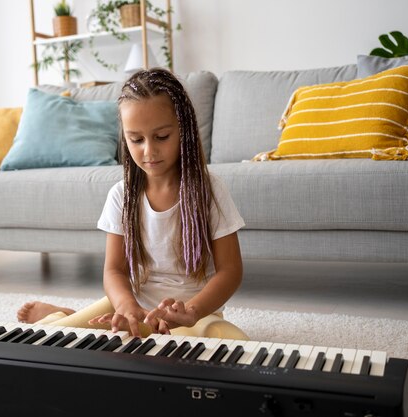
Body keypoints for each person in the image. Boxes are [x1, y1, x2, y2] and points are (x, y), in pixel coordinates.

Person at [17, 68, 249, 341]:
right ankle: (62, 315)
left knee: (234, 343)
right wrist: (126, 305)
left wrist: (193, 310)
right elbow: (114, 270)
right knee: (54, 337)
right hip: (134, 309)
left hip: (195, 316)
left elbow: (231, 271)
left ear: (183, 130)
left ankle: (85, 318)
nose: (149, 151)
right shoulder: (121, 196)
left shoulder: (210, 191)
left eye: (161, 137)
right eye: (136, 140)